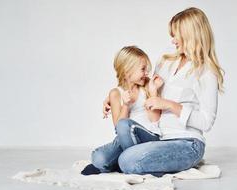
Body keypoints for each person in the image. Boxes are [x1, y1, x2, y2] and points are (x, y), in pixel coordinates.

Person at [101, 7, 224, 176]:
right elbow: (142, 83)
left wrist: (170, 105)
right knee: (102, 158)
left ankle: (134, 161)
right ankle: (138, 160)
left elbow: (206, 122)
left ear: (190, 35)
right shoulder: (165, 62)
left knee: (126, 161)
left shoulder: (206, 73)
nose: (172, 41)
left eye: (176, 35)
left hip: (187, 143)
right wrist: (112, 96)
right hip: (158, 136)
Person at [81, 46, 164, 176]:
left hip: (149, 137)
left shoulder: (147, 85)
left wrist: (153, 93)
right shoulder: (115, 94)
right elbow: (117, 127)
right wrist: (125, 105)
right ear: (127, 71)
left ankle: (126, 163)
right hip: (126, 139)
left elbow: (155, 119)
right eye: (143, 69)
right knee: (98, 158)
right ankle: (126, 163)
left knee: (125, 125)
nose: (147, 72)